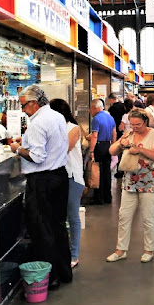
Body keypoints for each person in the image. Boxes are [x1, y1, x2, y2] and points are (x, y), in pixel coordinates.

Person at [9, 85, 72, 290]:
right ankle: (64, 272)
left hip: (43, 181)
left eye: (24, 105)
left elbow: (37, 156)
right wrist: (25, 142)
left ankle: (50, 276)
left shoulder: (37, 123)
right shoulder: (57, 116)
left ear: (34, 103)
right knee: (58, 226)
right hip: (60, 177)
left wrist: (18, 148)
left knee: (42, 229)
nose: (23, 110)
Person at [107, 109, 154, 263]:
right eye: (132, 124)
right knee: (124, 216)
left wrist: (140, 149)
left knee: (148, 217)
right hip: (130, 181)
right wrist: (121, 143)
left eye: (138, 124)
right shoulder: (128, 134)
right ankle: (121, 250)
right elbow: (111, 151)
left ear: (145, 122)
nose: (135, 127)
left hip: (150, 181)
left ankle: (148, 250)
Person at [50, 99, 85, 269]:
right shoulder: (53, 127)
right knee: (59, 218)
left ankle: (74, 254)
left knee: (72, 217)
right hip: (57, 177)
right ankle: (62, 252)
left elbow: (63, 149)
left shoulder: (73, 128)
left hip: (72, 177)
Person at [88, 99, 117, 204]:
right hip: (108, 146)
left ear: (94, 108)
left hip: (99, 147)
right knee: (107, 171)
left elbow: (95, 136)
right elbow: (114, 133)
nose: (90, 111)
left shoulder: (96, 119)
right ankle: (108, 196)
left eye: (90, 108)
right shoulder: (110, 117)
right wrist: (113, 147)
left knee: (97, 172)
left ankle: (98, 198)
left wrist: (91, 150)